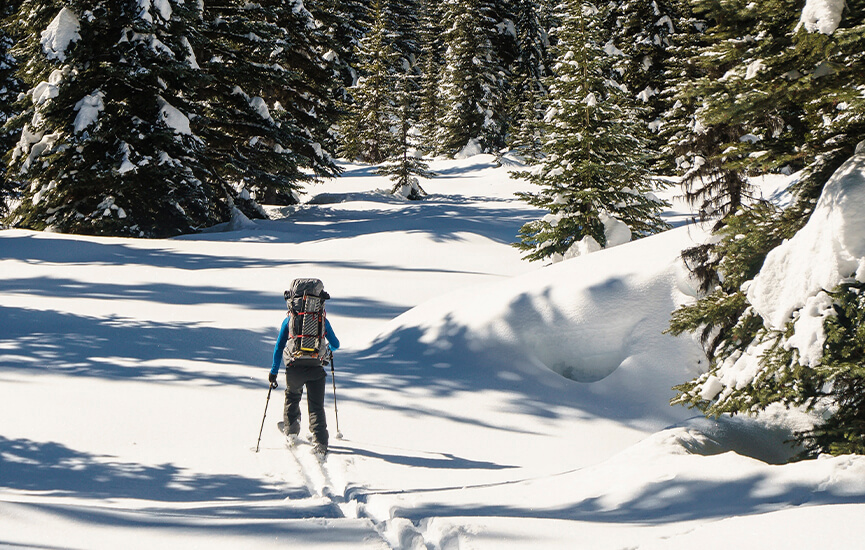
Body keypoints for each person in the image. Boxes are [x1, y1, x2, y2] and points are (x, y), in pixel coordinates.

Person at [269, 314, 340, 456]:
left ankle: (291, 431)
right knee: (316, 406)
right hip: (316, 368)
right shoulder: (321, 319)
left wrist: (273, 372)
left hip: (294, 368)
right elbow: (336, 344)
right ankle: (320, 442)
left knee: (292, 396)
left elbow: (279, 347)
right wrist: (327, 352)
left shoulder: (289, 320)